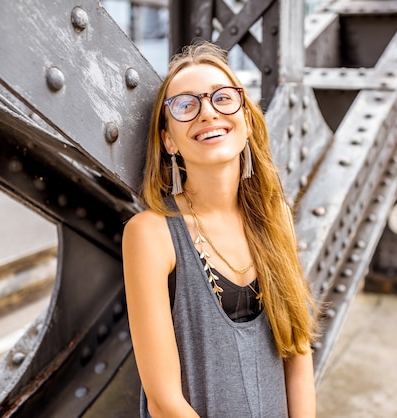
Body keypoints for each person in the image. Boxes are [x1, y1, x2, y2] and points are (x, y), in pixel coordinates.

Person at [122, 40, 317, 418]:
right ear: (168, 140)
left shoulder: (276, 218)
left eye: (222, 98)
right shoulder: (151, 235)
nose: (208, 113)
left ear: (246, 121)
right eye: (185, 105)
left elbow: (297, 349)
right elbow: (164, 402)